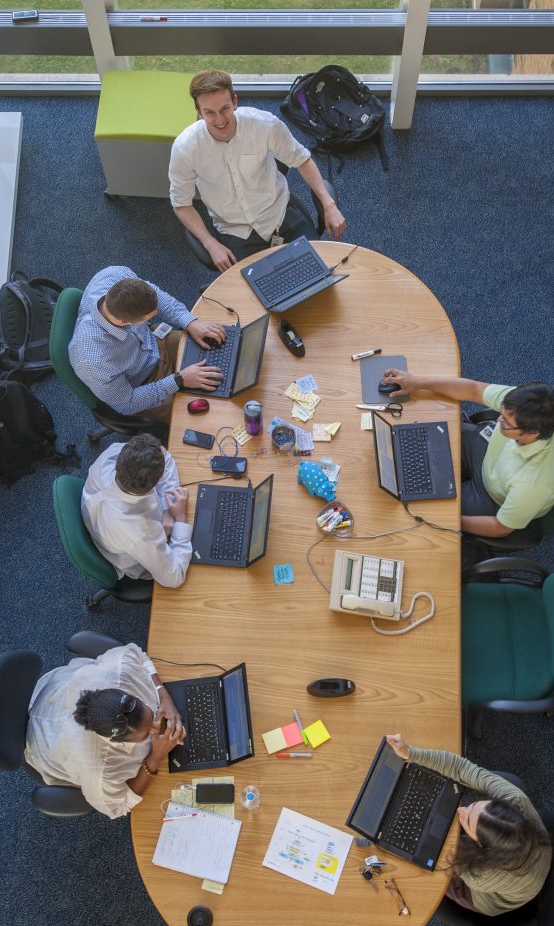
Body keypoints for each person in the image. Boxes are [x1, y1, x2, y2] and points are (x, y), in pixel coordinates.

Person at [169, 69, 347, 272]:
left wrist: (328, 203)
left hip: (280, 215)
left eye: (225, 108)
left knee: (320, 276)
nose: (219, 119)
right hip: (236, 232)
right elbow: (181, 203)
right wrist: (211, 244)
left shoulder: (264, 125)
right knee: (257, 300)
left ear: (235, 102)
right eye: (209, 112)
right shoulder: (185, 149)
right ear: (199, 111)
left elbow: (302, 159)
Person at [380, 371, 554, 537]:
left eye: (506, 423)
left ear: (532, 433)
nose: (498, 420)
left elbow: (501, 527)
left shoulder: (533, 485)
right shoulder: (523, 404)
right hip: (489, 454)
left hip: (492, 496)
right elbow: (474, 389)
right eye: (500, 414)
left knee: (424, 510)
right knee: (426, 434)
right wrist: (418, 382)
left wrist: (454, 521)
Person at [386, 734, 552, 916]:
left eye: (468, 820)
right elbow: (462, 767)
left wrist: (420, 825)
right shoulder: (514, 799)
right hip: (518, 859)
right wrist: (410, 753)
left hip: (484, 897)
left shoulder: (483, 876)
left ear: (481, 848)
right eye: (475, 806)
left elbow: (450, 863)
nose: (461, 811)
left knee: (424, 865)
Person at [25, 643, 186, 818]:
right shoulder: (99, 767)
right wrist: (156, 757)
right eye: (147, 735)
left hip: (52, 691)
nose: (157, 726)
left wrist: (163, 695)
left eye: (151, 713)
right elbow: (120, 805)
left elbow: (139, 656)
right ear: (115, 741)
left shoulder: (121, 670)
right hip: (44, 744)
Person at [69, 266, 224, 423]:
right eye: (151, 316)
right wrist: (179, 380)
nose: (158, 313)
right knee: (212, 412)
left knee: (219, 349)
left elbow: (158, 298)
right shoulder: (91, 360)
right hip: (144, 386)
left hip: (154, 342)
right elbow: (127, 403)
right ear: (125, 323)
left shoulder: (115, 275)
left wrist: (190, 322)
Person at [81, 433, 192, 589]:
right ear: (160, 478)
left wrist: (167, 509)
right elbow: (174, 578)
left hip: (110, 527)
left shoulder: (112, 455)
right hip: (137, 557)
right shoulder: (141, 531)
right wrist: (180, 518)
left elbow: (164, 455)